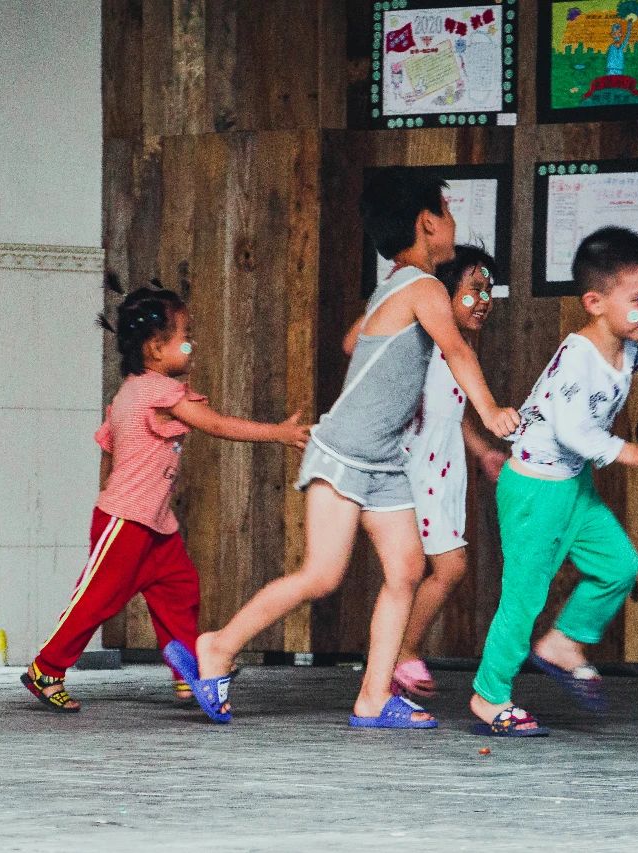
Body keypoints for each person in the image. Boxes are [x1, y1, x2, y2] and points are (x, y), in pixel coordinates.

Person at [167, 169, 519, 728]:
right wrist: (492, 411)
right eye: (448, 213)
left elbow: (357, 341)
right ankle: (217, 646)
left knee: (406, 570)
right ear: (428, 223)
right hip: (344, 452)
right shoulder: (423, 288)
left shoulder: (397, 285)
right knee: (322, 575)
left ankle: (373, 698)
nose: (453, 224)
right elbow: (457, 351)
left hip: (385, 460)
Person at [468, 226, 638, 737]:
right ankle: (488, 696)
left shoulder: (632, 339)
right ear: (595, 303)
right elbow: (575, 432)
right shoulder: (577, 359)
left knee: (618, 566)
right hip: (534, 491)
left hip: (573, 487)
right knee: (523, 599)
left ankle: (563, 643)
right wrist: (637, 453)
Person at [21, 282, 308, 713]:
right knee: (96, 599)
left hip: (153, 523)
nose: (193, 345)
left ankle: (187, 673)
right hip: (127, 521)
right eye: (185, 338)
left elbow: (108, 451)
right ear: (155, 349)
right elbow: (216, 424)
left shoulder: (129, 391)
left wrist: (109, 494)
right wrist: (279, 433)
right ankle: (46, 668)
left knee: (179, 588)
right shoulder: (156, 391)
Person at [343, 245, 508, 702]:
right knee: (447, 566)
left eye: (489, 291)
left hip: (444, 468)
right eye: (474, 289)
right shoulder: (417, 338)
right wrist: (398, 291)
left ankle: (390, 663)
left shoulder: (461, 348)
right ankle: (402, 652)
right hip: (412, 467)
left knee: (423, 570)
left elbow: (453, 412)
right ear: (442, 292)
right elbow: (353, 343)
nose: (484, 300)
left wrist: (483, 452)